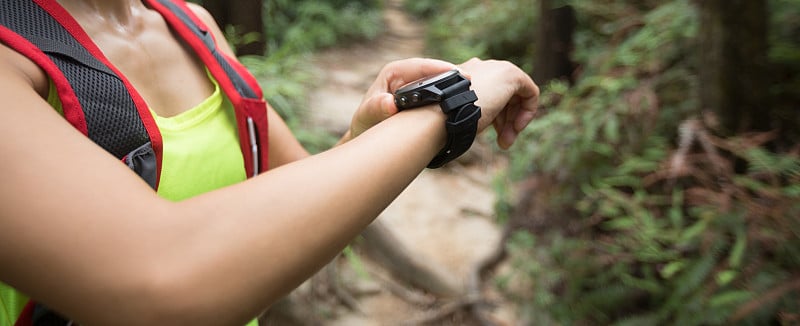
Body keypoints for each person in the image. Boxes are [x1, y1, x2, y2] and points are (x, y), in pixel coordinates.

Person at [0, 0, 539, 325]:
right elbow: (161, 281)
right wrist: (448, 106)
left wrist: (362, 136)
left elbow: (302, 214)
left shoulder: (190, 23)